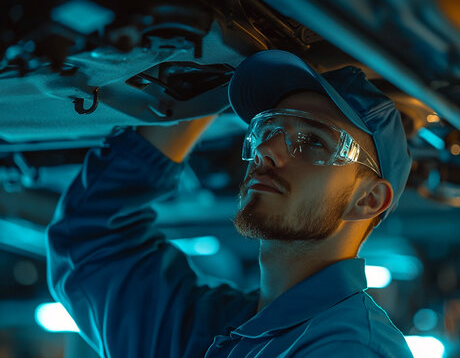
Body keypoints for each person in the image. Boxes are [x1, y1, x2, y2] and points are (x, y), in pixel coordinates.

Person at [46, 50, 413, 357]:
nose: (267, 150)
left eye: (313, 142)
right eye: (268, 130)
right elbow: (91, 240)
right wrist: (200, 97)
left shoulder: (350, 348)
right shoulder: (214, 330)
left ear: (368, 199)